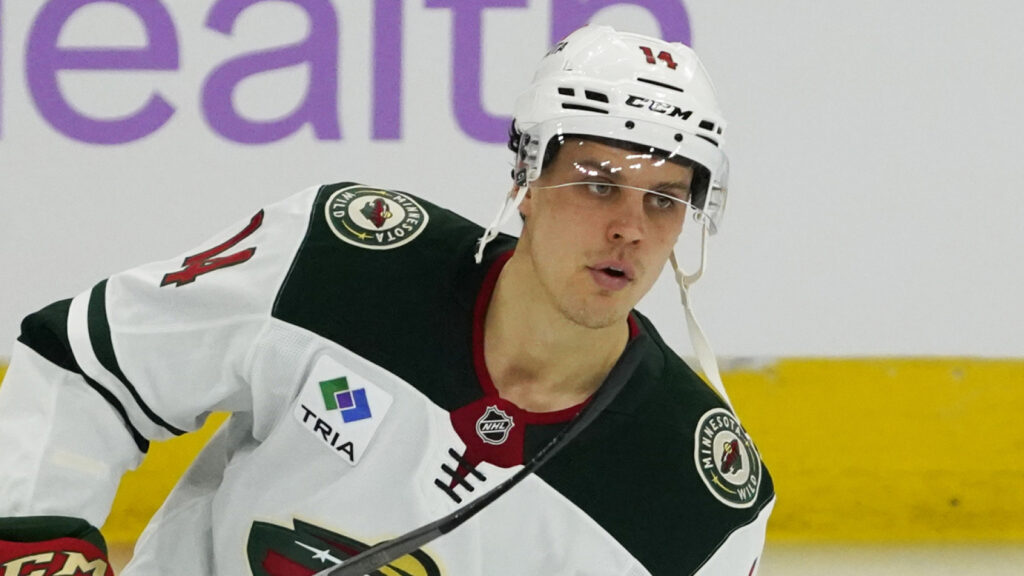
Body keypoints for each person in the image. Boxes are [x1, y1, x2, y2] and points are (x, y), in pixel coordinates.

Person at [0, 25, 774, 575]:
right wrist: (36, 540)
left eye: (664, 201)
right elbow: (87, 365)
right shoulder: (342, 268)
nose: (631, 229)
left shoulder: (697, 499)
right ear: (526, 178)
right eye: (598, 185)